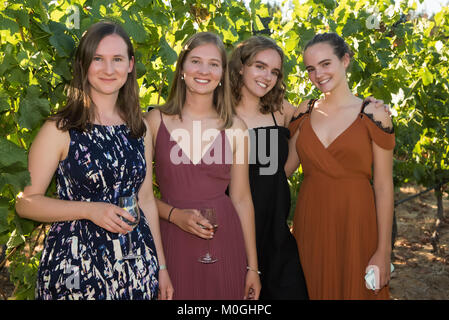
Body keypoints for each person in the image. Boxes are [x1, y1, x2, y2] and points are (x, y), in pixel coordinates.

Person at [15, 21, 173, 300]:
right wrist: (90, 210)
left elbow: (146, 199)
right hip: (75, 271)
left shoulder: (139, 129)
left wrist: (161, 266)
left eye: (117, 59)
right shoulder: (60, 129)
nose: (108, 69)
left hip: (136, 266)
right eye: (98, 59)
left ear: (130, 65)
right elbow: (26, 202)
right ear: (83, 64)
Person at [145, 32, 261, 300]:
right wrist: (175, 215)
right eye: (195, 61)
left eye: (213, 64)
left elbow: (242, 199)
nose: (204, 71)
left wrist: (253, 267)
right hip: (170, 240)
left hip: (224, 241)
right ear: (182, 67)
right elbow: (142, 196)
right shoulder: (154, 121)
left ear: (222, 73)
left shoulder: (236, 128)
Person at [287, 32, 395, 299]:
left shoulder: (373, 114)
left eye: (326, 64)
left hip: (357, 225)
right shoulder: (304, 112)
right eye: (311, 69)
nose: (318, 74)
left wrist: (383, 251)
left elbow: (383, 186)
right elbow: (281, 174)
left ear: (345, 60)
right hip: (310, 223)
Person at [228, 36, 308, 300]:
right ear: (240, 67)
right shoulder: (218, 111)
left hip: (275, 230)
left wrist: (368, 105)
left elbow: (285, 165)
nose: (268, 77)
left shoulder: (281, 110)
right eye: (260, 66)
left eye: (274, 71)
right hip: (232, 230)